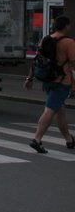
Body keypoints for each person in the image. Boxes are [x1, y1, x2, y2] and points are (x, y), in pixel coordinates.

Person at [27, 15, 75, 153]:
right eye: (69, 25)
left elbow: (37, 61)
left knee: (60, 111)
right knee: (49, 110)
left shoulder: (45, 39)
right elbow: (73, 64)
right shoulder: (69, 42)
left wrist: (29, 79)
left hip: (48, 80)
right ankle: (37, 139)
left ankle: (69, 139)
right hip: (62, 82)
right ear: (66, 26)